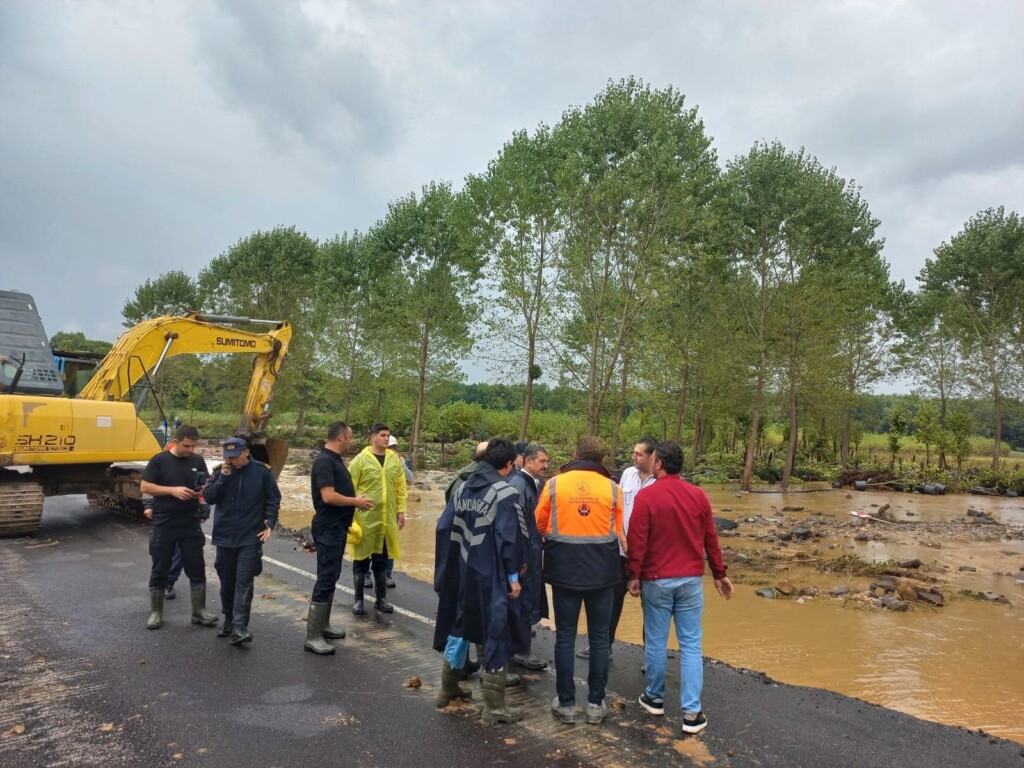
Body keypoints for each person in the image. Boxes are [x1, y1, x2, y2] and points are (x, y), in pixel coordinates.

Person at [626, 440, 733, 735]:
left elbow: (637, 540)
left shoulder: (647, 498)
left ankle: (655, 697)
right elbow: (710, 538)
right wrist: (719, 574)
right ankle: (691, 713)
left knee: (657, 642)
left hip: (657, 579)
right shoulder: (698, 496)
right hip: (690, 581)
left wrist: (633, 574)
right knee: (691, 645)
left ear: (658, 464)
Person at [433, 438, 527, 723]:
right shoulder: (505, 493)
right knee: (495, 631)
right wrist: (514, 579)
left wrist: (447, 570)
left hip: (462, 572)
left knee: (460, 626)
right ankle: (494, 707)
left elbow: (443, 527)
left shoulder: (462, 487)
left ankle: (448, 688)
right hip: (490, 577)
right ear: (509, 464)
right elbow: (510, 541)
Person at [535, 436, 625, 726]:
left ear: (575, 454)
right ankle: (596, 704)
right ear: (601, 459)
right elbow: (619, 531)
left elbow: (539, 522)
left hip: (564, 572)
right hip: (603, 574)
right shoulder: (613, 488)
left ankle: (566, 703)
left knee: (565, 636)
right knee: (599, 639)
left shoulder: (554, 484)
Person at [578, 437, 657, 661]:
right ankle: (603, 647)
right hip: (621, 552)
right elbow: (617, 509)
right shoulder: (628, 475)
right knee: (611, 603)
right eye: (634, 452)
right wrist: (620, 539)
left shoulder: (659, 481)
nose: (634, 457)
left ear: (653, 457)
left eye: (639, 454)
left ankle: (650, 657)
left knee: (650, 608)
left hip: (648, 557)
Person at [202, 437, 281, 645]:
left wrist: (270, 522)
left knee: (244, 582)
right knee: (227, 582)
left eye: (235, 457)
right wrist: (223, 479)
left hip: (250, 537)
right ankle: (228, 620)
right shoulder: (220, 472)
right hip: (225, 537)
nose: (232, 461)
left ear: (246, 452)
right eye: (228, 457)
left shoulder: (263, 472)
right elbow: (209, 497)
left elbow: (274, 499)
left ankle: (240, 627)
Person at [139, 424, 218, 630]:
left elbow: (204, 486)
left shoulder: (197, 460)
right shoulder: (159, 460)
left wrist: (199, 496)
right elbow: (145, 486)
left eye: (194, 446)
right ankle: (156, 612)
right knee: (160, 568)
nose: (191, 450)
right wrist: (172, 491)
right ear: (176, 441)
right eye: (187, 446)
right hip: (164, 523)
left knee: (197, 566)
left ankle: (199, 611)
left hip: (190, 523)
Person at [305, 421, 374, 655]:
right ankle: (312, 636)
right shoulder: (324, 461)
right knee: (325, 578)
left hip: (337, 527)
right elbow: (328, 496)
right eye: (350, 437)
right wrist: (355, 502)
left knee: (332, 575)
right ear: (341, 437)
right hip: (327, 528)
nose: (352, 441)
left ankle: (323, 625)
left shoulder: (333, 460)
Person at [349, 423, 407, 615]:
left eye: (388, 435)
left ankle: (381, 599)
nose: (386, 438)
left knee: (382, 560)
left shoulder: (394, 460)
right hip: (364, 519)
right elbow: (350, 488)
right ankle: (358, 601)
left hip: (386, 519)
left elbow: (400, 487)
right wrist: (351, 512)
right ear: (372, 437)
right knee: (361, 560)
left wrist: (401, 511)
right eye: (382, 435)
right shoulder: (360, 460)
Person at [507, 443, 550, 671]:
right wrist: (521, 558)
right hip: (524, 555)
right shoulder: (518, 485)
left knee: (527, 599)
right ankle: (521, 651)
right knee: (522, 601)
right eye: (542, 461)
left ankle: (519, 647)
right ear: (528, 461)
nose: (545, 465)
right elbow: (516, 525)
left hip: (532, 551)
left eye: (547, 461)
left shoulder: (533, 484)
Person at [384, 434, 414, 589]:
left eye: (393, 448)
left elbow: (410, 478)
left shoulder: (398, 463)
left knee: (390, 542)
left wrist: (402, 464)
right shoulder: (374, 460)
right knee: (370, 541)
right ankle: (367, 574)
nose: (391, 451)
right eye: (389, 448)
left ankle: (387, 574)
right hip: (376, 507)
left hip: (393, 508)